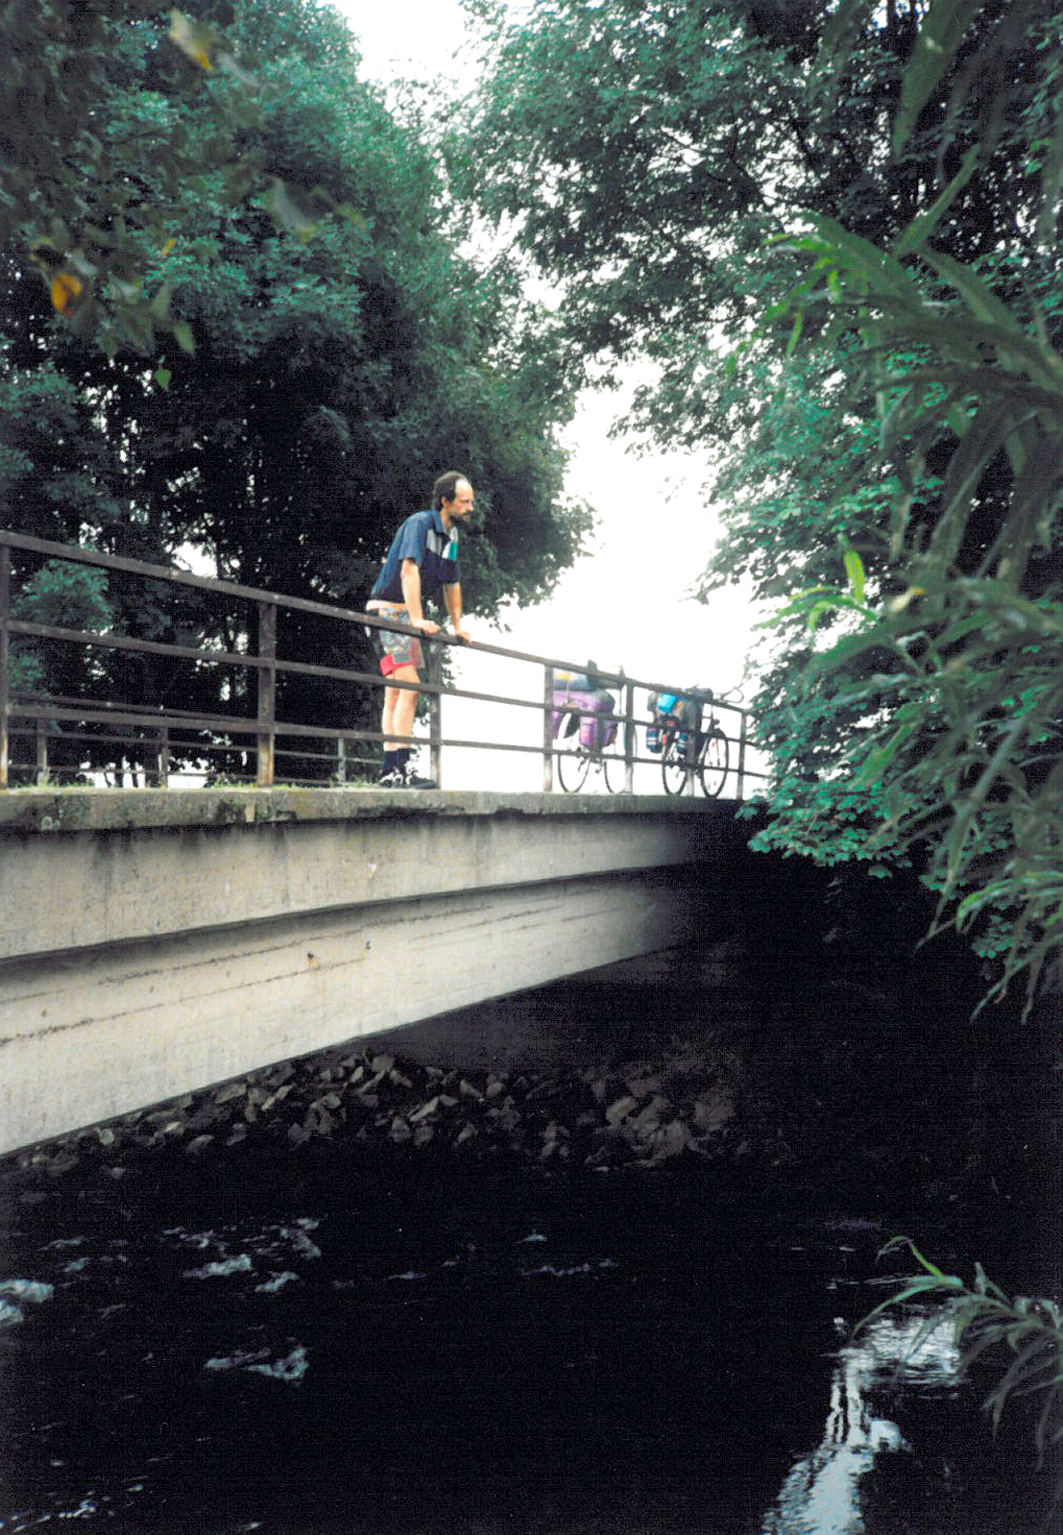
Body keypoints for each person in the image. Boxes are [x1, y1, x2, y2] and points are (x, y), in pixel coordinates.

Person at [365, 471, 474, 787]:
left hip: (403, 619)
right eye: (465, 502)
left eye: (472, 502)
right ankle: (400, 769)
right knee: (411, 687)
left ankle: (391, 771)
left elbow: (451, 584)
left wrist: (457, 627)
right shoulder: (420, 524)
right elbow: (408, 570)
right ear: (446, 501)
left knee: (398, 691)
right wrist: (415, 619)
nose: (470, 507)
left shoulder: (451, 539)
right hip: (387, 614)